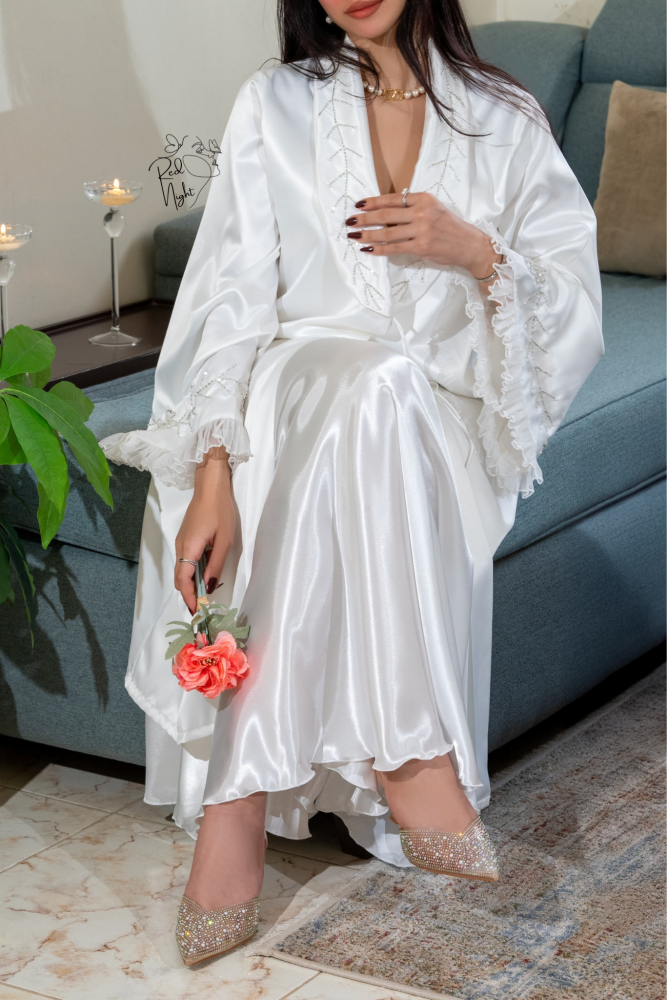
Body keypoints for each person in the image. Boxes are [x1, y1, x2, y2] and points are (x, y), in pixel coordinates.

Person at [101, 0, 604, 967]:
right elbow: (231, 296)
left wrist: (474, 252)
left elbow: (569, 305)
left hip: (437, 408)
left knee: (380, 390)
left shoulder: (503, 116)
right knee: (358, 387)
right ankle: (412, 756)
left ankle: (237, 803)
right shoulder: (276, 101)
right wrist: (213, 473)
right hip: (288, 385)